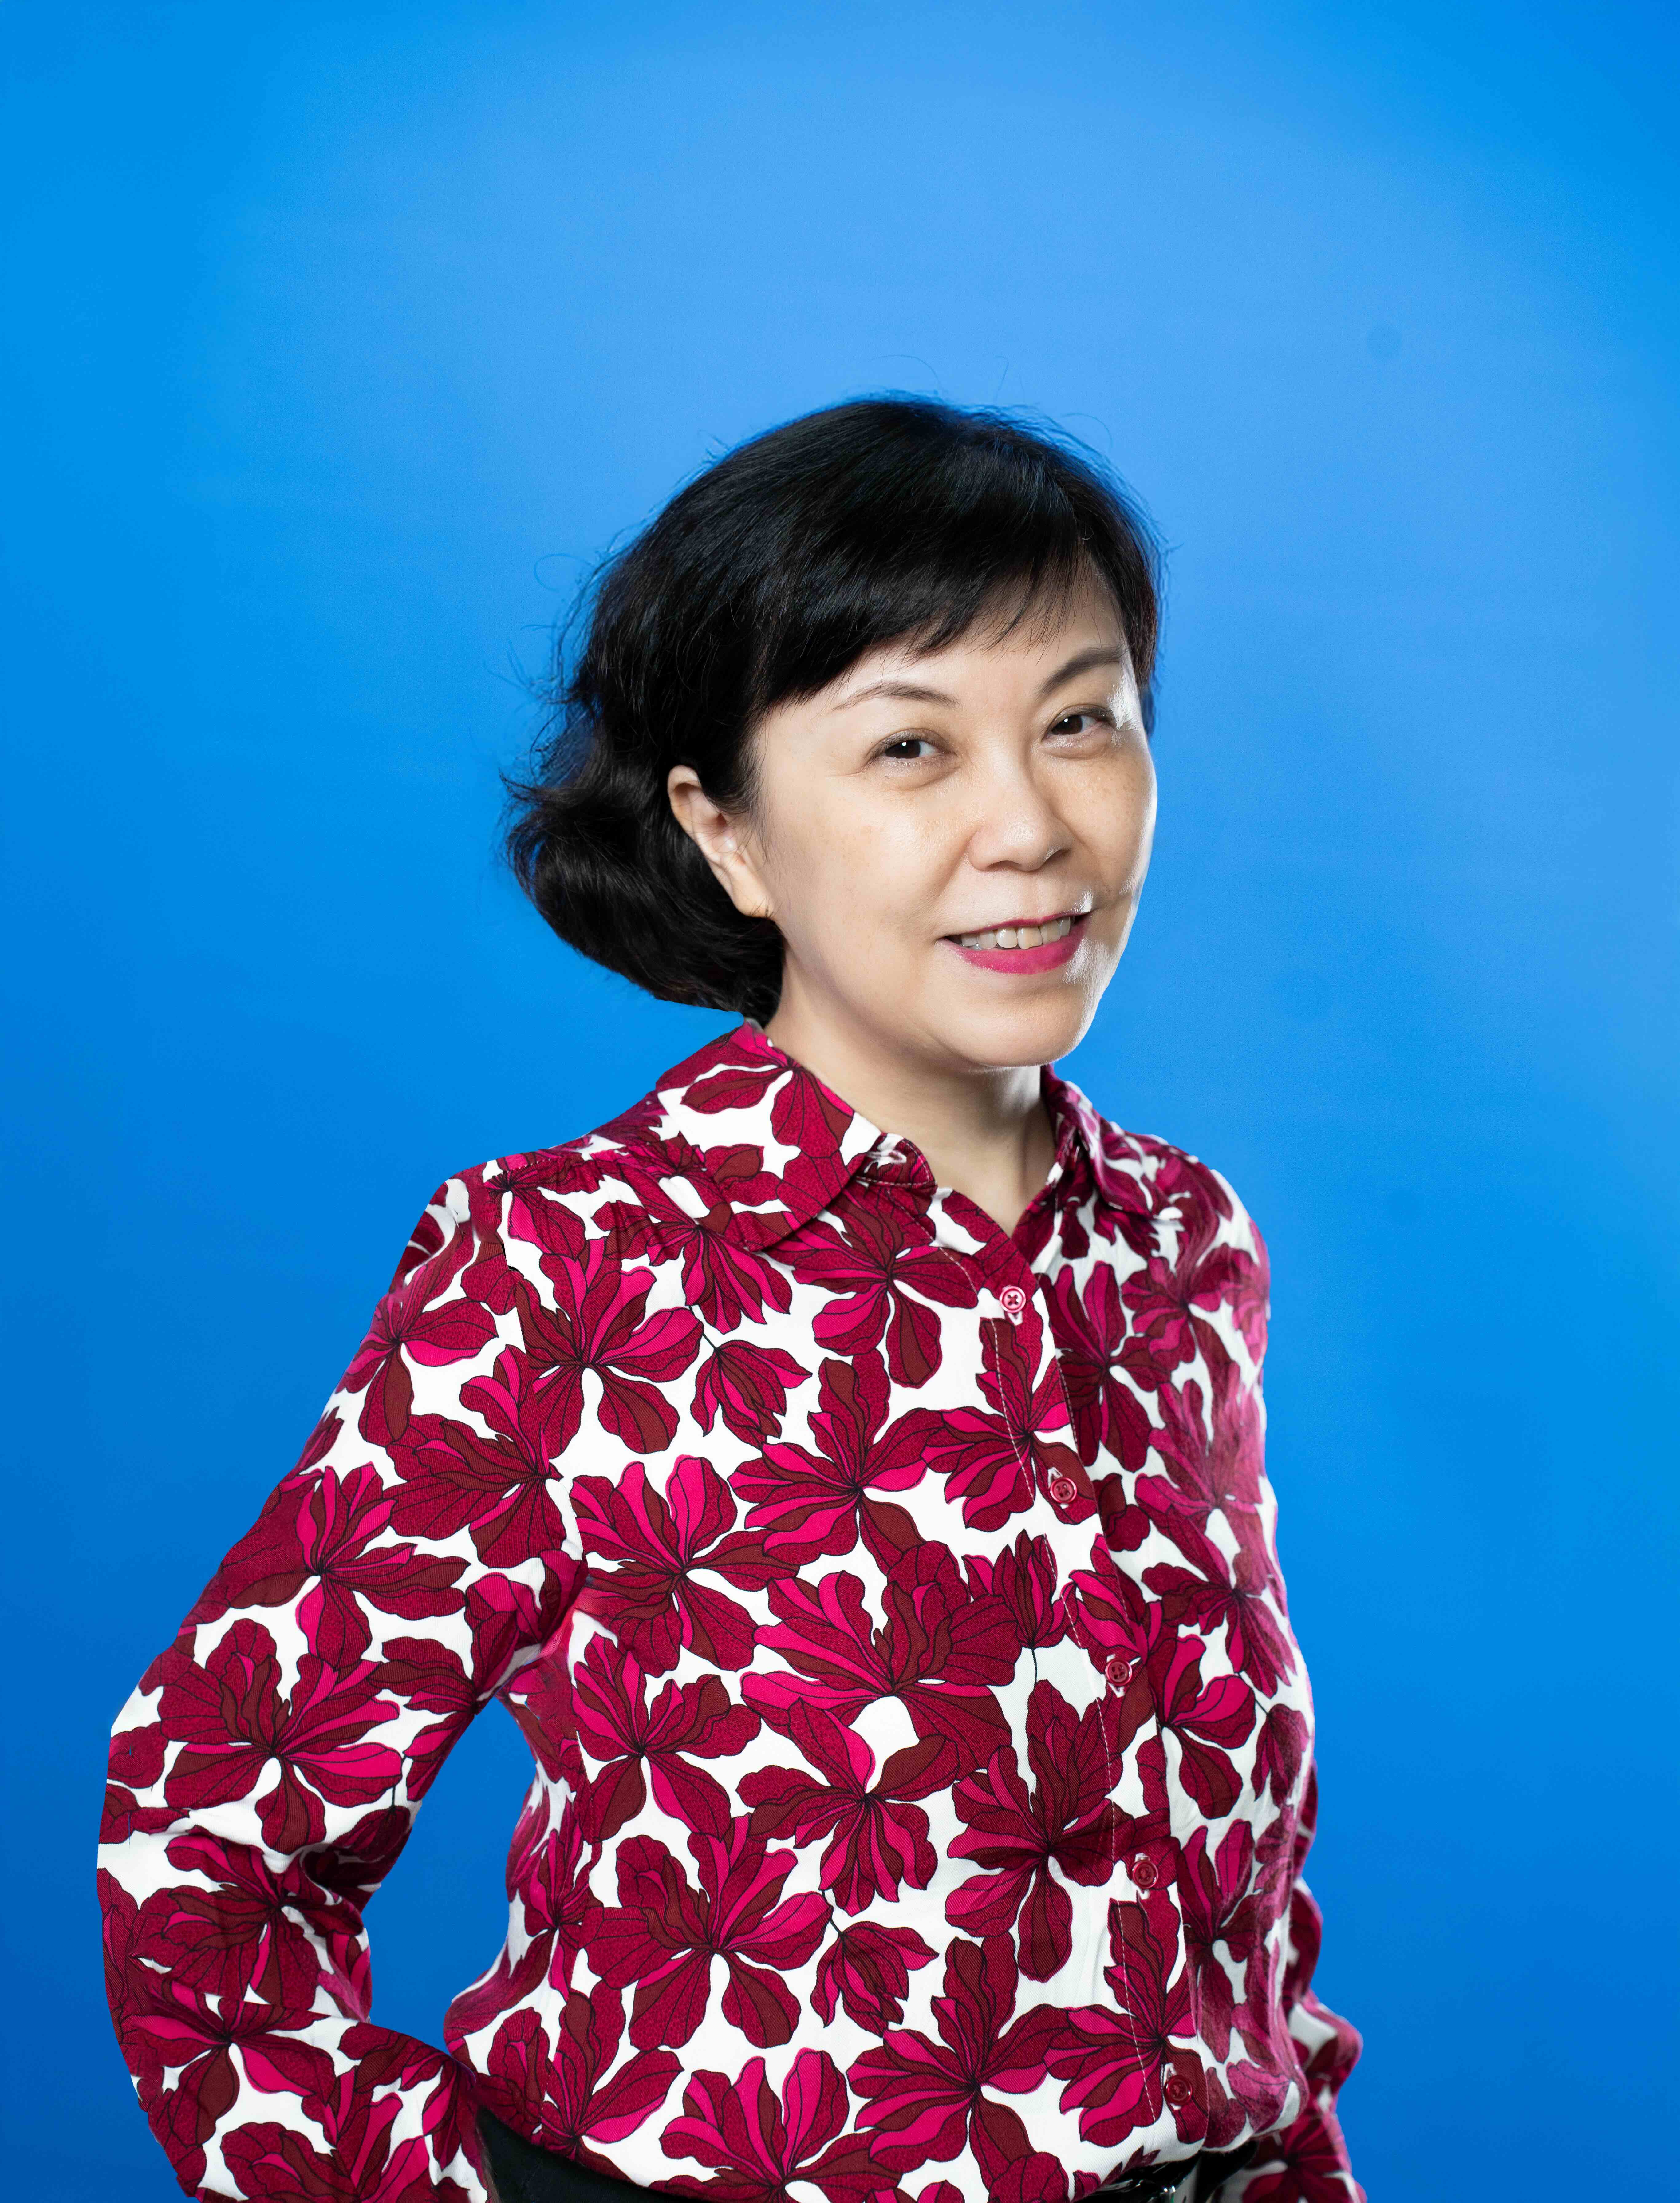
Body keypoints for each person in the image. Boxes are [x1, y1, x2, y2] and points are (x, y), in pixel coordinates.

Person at [98, 397, 1363, 2203]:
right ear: (729, 831)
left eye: (1084, 721)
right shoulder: (573, 1269)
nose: (1032, 824)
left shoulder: (1182, 1248)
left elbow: (1225, 1887)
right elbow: (205, 1833)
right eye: (912, 747)